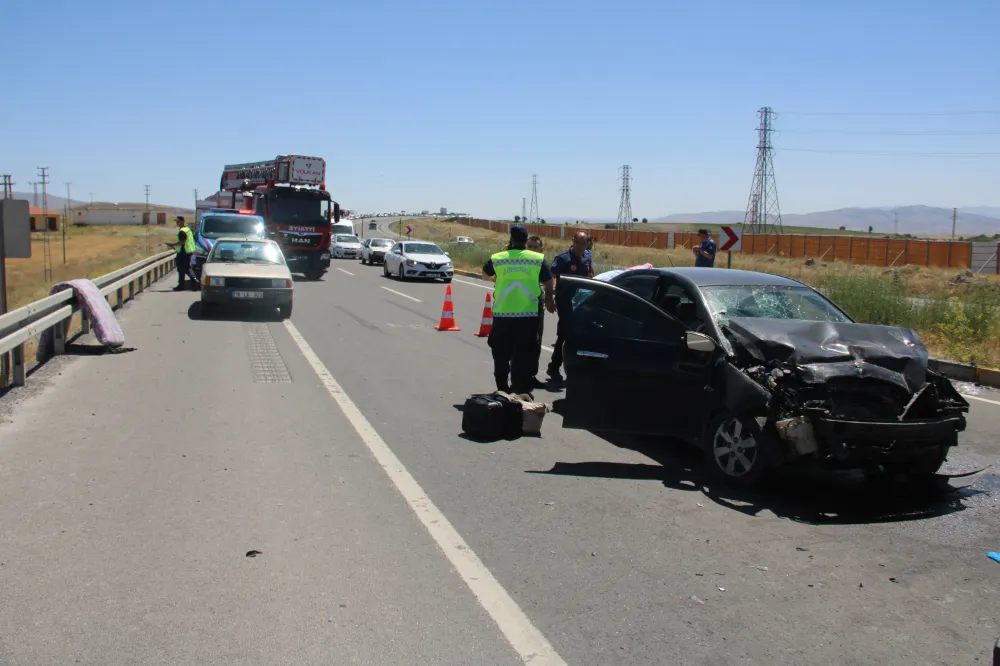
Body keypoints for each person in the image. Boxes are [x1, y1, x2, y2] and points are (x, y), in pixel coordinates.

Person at [482, 226, 555, 397]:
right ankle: (519, 390)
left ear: (511, 239)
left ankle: (502, 388)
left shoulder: (498, 258)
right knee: (524, 353)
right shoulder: (536, 259)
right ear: (526, 239)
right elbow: (549, 281)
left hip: (503, 315)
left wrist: (501, 278)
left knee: (500, 353)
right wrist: (550, 300)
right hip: (528, 315)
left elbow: (485, 275)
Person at [547, 231, 594, 384]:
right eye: (578, 243)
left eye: (584, 243)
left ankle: (576, 369)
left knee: (579, 335)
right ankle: (554, 367)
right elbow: (550, 277)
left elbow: (590, 277)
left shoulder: (586, 259)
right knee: (565, 335)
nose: (580, 246)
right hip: (566, 302)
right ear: (573, 242)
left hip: (582, 302)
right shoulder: (563, 259)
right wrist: (550, 299)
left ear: (587, 244)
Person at [526, 235, 548, 389]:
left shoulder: (540, 262)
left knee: (536, 342)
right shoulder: (521, 261)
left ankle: (531, 375)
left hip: (536, 306)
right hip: (520, 307)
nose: (533, 250)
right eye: (530, 247)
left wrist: (547, 300)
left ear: (541, 249)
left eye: (535, 247)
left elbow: (548, 281)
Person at [165, 216, 198, 291]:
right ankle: (181, 285)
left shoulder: (182, 231)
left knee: (185, 268)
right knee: (182, 269)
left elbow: (182, 242)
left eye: (178, 221)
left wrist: (172, 244)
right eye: (176, 221)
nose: (177, 223)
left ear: (183, 221)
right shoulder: (188, 229)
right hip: (187, 251)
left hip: (184, 253)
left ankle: (195, 282)